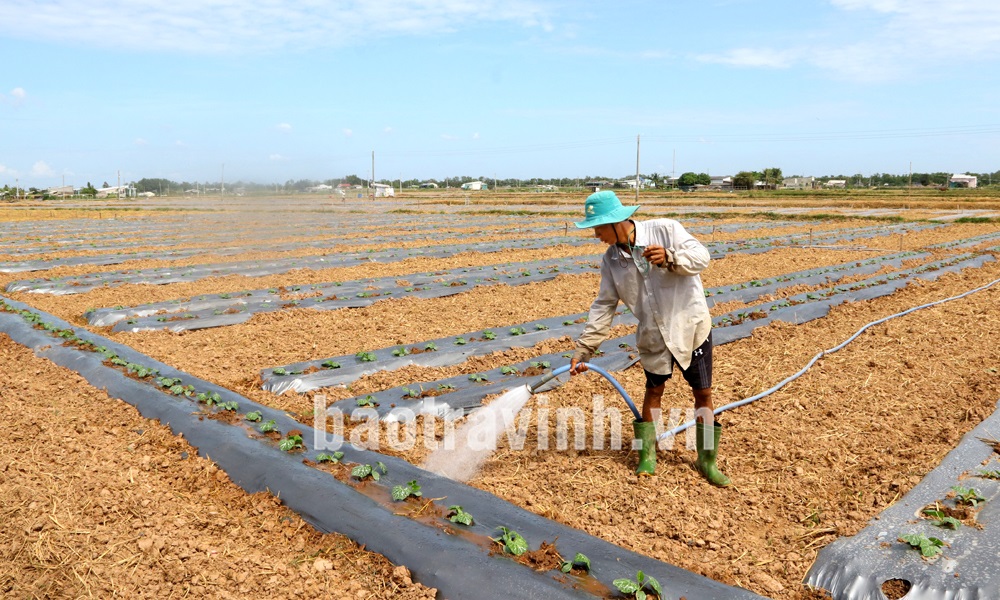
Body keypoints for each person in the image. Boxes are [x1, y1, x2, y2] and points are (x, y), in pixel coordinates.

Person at [568, 190, 729, 485]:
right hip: (654, 333)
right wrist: (585, 349)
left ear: (616, 221)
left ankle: (707, 460)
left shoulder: (665, 230)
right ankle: (647, 456)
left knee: (702, 393)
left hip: (690, 327)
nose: (595, 235)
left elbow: (701, 257)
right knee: (653, 392)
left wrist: (671, 257)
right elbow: (605, 305)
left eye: (598, 228)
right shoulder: (612, 261)